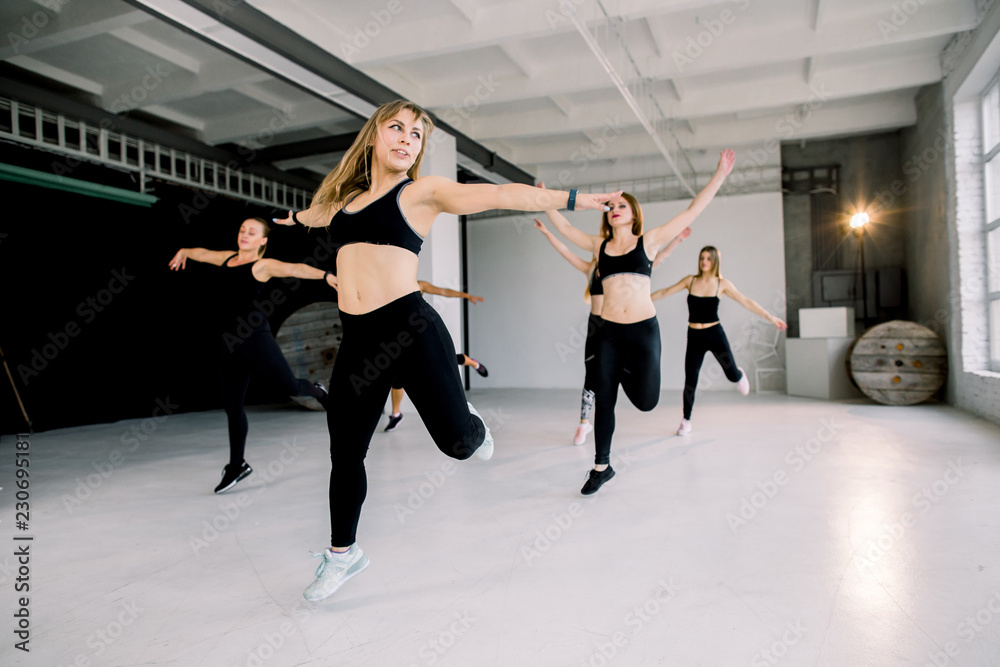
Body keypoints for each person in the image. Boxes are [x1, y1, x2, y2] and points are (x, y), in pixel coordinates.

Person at [272, 99, 620, 602]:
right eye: (397, 127)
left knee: (462, 447)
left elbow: (501, 193)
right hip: (357, 338)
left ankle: (467, 421)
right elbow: (312, 213)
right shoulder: (343, 202)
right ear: (374, 135)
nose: (406, 139)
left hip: (408, 328)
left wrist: (574, 200)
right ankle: (342, 556)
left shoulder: (422, 193)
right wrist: (288, 219)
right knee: (345, 454)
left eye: (416, 135)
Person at [539, 149, 735, 495]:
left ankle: (622, 374)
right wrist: (548, 200)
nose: (615, 210)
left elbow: (692, 210)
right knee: (604, 398)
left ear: (633, 214)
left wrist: (719, 174)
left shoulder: (650, 241)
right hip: (609, 334)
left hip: (644, 333)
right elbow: (567, 228)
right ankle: (601, 466)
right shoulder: (599, 247)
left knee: (647, 402)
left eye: (622, 206)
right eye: (611, 207)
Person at [168, 217, 335, 493]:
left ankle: (317, 391)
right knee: (232, 405)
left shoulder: (261, 265)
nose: (245, 234)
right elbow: (201, 253)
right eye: (242, 229)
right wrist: (184, 252)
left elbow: (294, 268)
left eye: (252, 232)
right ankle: (237, 465)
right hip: (229, 342)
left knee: (290, 387)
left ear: (263, 241)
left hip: (254, 335)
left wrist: (326, 276)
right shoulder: (226, 258)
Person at [533, 216, 690, 446]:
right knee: (591, 373)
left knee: (609, 374)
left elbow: (658, 259)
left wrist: (677, 241)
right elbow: (566, 251)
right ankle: (584, 422)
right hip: (596, 326)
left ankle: (599, 412)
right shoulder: (591, 269)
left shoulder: (625, 267)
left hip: (616, 326)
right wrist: (548, 233)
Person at [650, 246, 787, 436]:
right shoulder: (690, 281)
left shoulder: (722, 284)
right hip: (695, 336)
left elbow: (746, 301)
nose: (704, 261)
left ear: (715, 261)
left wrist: (771, 317)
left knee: (730, 375)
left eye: (708, 258)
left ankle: (738, 375)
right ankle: (685, 421)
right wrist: (642, 300)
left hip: (715, 334)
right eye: (702, 258)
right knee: (691, 379)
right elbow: (665, 292)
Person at [384, 280, 489, 432]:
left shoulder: (419, 285)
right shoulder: (387, 287)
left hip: (423, 334)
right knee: (397, 376)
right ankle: (396, 414)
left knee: (444, 362)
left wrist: (467, 296)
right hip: (402, 340)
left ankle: (472, 362)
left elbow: (444, 292)